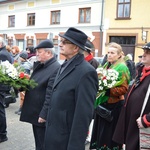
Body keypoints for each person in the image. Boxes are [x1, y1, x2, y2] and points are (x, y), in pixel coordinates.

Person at [44, 27, 98, 150]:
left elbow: (83, 114)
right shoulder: (65, 64)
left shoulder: (86, 72)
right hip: (54, 134)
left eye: (65, 42)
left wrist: (75, 146)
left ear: (75, 48)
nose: (60, 44)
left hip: (65, 138)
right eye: (61, 41)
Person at [20, 39, 60, 150]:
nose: (36, 54)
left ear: (49, 53)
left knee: (43, 144)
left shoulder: (55, 68)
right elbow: (35, 83)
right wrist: (21, 83)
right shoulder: (42, 65)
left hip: (41, 114)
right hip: (35, 112)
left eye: (39, 52)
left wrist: (44, 114)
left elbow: (50, 94)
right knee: (39, 142)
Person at [90, 42, 130, 150]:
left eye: (112, 53)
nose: (109, 55)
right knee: (101, 136)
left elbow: (124, 89)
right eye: (108, 52)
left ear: (119, 55)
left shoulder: (122, 67)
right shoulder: (106, 65)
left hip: (114, 106)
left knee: (108, 137)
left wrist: (107, 91)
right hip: (103, 105)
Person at [113, 42, 150, 150]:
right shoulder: (142, 72)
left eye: (147, 53)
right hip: (133, 125)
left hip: (143, 127)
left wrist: (147, 119)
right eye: (144, 51)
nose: (143, 54)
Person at [83, 39, 99, 145]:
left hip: (89, 96)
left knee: (89, 118)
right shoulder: (82, 62)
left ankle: (87, 136)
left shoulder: (93, 63)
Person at [0, 37, 12, 143]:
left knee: (0, 110)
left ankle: (2, 135)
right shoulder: (4, 52)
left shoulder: (2, 54)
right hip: (2, 85)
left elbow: (3, 71)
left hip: (1, 86)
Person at [15, 51, 32, 115]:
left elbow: (25, 75)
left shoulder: (25, 65)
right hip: (22, 81)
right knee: (22, 96)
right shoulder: (25, 64)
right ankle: (21, 108)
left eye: (20, 57)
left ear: (23, 57)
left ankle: (22, 109)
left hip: (24, 82)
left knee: (23, 96)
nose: (19, 58)